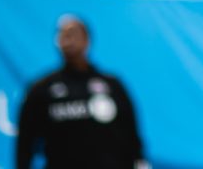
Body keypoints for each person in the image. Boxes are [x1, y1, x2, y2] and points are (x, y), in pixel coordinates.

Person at [16, 15, 148, 169]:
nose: (69, 40)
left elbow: (132, 135)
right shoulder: (42, 89)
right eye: (63, 35)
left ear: (87, 40)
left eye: (74, 34)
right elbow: (25, 143)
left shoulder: (112, 85)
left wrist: (138, 161)